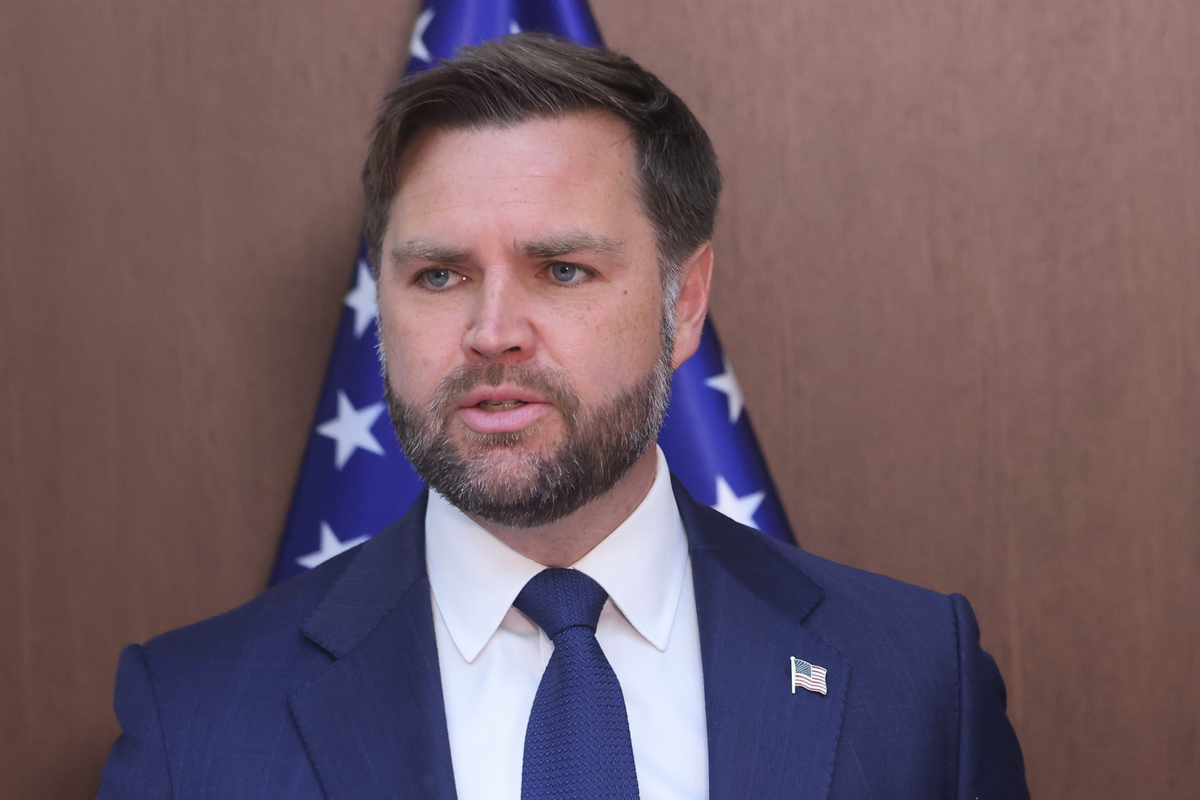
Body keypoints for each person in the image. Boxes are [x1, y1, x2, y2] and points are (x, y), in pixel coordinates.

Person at [98, 34, 1029, 799]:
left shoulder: (917, 679)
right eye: (439, 275)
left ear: (685, 301)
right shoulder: (194, 721)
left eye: (563, 270)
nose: (492, 333)